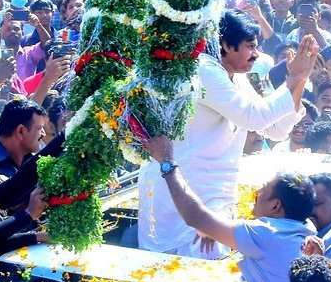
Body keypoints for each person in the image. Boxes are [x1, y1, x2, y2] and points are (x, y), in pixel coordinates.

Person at [136, 16, 318, 257]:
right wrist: (292, 79)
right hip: (181, 186)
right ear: (224, 44)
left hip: (217, 191)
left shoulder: (237, 77)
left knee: (209, 267)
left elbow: (275, 130)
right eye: (250, 46)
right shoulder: (204, 70)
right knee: (175, 270)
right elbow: (253, 117)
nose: (256, 54)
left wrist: (301, 79)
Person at [141, 129, 315, 282]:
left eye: (263, 190)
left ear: (276, 206)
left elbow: (194, 216)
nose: (256, 192)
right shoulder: (304, 228)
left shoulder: (267, 234)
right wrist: (216, 229)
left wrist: (167, 162)